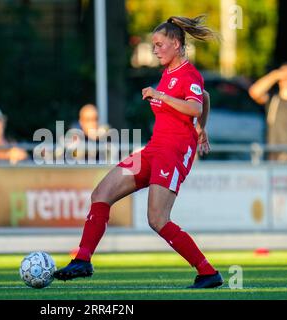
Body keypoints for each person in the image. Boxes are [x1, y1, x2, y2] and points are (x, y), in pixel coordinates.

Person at [54, 15, 222, 289]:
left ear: (177, 44)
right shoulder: (169, 73)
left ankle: (208, 272)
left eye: (159, 44)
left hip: (174, 153)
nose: (155, 50)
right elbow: (204, 97)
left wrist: (164, 98)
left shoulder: (188, 73)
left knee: (157, 219)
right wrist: (201, 129)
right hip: (154, 149)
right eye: (153, 45)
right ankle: (82, 260)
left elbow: (195, 106)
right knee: (101, 194)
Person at [248, 62, 287, 161]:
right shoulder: (272, 99)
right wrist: (275, 75)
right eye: (285, 75)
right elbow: (254, 92)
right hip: (273, 159)